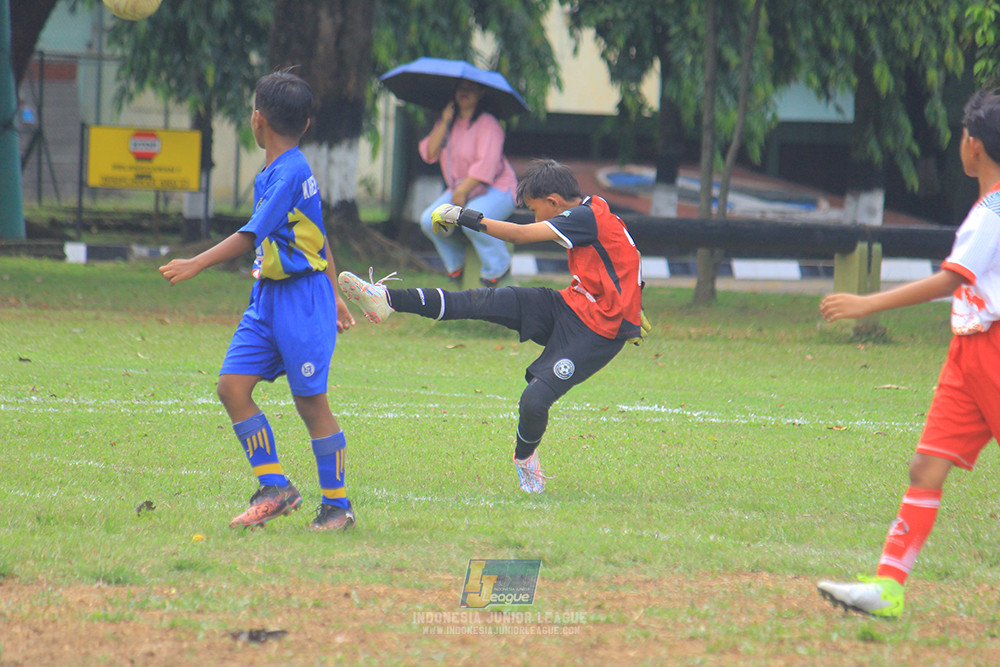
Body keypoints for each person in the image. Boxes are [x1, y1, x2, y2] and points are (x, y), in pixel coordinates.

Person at [339, 159, 649, 493]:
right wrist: (633, 300)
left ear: (555, 202)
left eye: (534, 209)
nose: (534, 216)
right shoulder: (594, 209)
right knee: (481, 300)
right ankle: (385, 299)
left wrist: (463, 216)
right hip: (571, 305)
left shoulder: (585, 217)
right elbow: (626, 259)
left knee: (533, 402)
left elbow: (519, 234)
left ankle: (525, 459)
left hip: (598, 333)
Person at [816, 88, 1000, 618]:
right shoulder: (987, 206)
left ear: (973, 145)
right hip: (966, 354)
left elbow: (950, 279)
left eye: (962, 137)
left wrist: (865, 303)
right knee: (925, 467)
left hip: (991, 351)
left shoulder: (991, 213)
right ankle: (889, 587)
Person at [158, 71, 357, 531]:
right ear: (306, 124)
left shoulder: (290, 171)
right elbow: (317, 235)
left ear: (256, 119)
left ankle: (337, 507)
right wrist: (340, 297)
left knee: (311, 404)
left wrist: (196, 263)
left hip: (302, 302)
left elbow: (251, 235)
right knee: (231, 387)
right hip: (266, 299)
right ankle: (276, 487)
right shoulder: (277, 170)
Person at [418, 79, 516, 286]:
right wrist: (444, 121)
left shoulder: (488, 123)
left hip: (497, 189)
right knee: (429, 220)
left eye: (471, 88)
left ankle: (497, 266)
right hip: (460, 191)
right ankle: (456, 262)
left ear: (481, 93)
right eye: (461, 88)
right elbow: (429, 152)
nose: (465, 92)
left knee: (472, 221)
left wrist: (462, 191)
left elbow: (487, 165)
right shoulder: (448, 124)